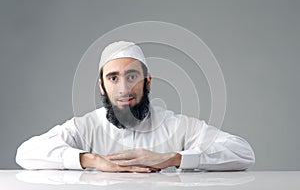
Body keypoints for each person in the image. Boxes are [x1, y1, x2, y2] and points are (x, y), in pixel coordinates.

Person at [16, 41, 255, 172]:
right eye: (113, 78)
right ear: (102, 86)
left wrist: (172, 159)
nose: (124, 89)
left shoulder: (176, 125)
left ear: (147, 81)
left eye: (132, 77)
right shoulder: (86, 126)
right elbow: (26, 153)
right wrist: (94, 160)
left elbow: (243, 153)